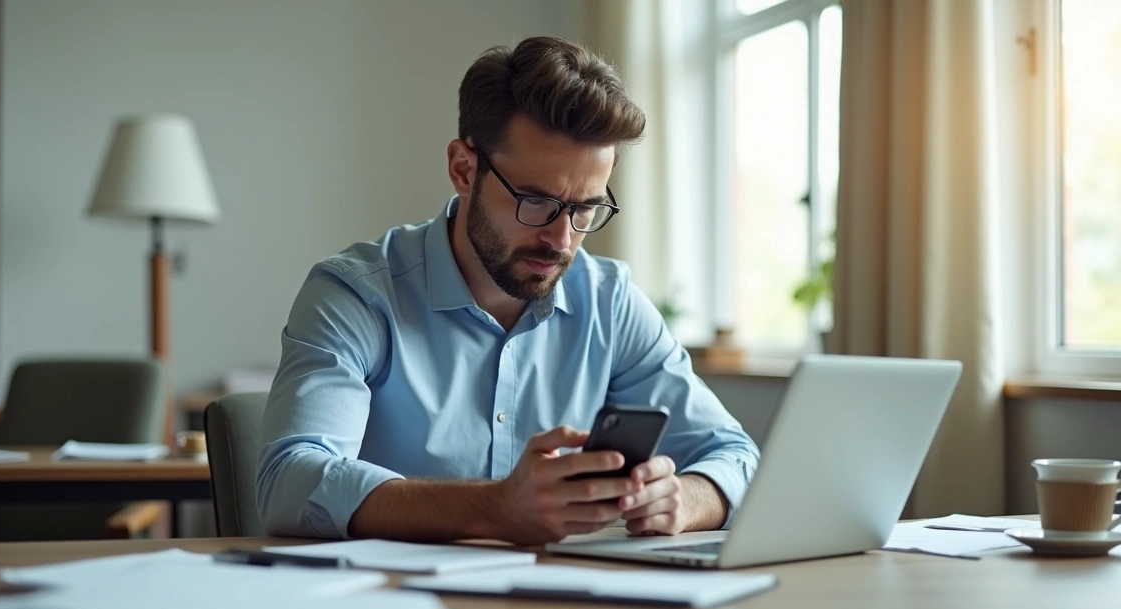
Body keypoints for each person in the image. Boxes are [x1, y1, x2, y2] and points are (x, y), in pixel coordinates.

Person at [256, 35, 759, 545]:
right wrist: (492, 509)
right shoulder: (355, 296)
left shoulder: (610, 302)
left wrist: (684, 500)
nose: (563, 239)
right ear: (463, 169)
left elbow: (736, 454)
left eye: (585, 208)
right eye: (536, 201)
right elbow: (290, 481)